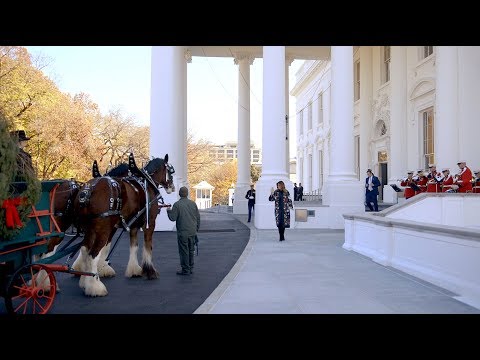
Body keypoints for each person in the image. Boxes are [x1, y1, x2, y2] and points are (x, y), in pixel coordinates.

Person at [166, 186, 201, 275]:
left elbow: (173, 218)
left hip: (183, 232)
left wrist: (168, 211)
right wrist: (196, 229)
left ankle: (185, 269)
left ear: (179, 194)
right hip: (192, 231)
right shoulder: (193, 204)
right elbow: (198, 217)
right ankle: (191, 268)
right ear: (187, 194)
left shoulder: (177, 205)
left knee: (184, 251)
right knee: (191, 250)